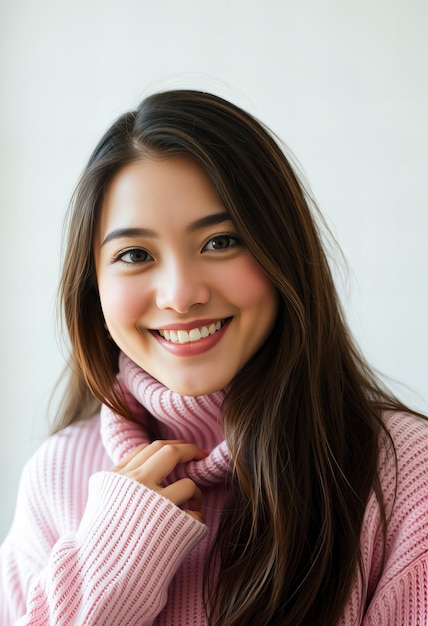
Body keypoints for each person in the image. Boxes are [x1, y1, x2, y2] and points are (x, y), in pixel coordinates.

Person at [1, 89, 428, 626]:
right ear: (94, 287)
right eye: (135, 255)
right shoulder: (57, 475)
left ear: (283, 253)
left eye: (220, 242)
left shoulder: (404, 474)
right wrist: (108, 573)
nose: (180, 295)